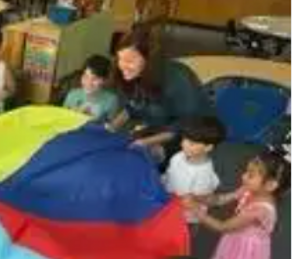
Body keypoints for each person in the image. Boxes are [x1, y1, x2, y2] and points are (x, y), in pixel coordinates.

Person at [109, 28, 213, 166]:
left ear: (149, 60)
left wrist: (145, 142)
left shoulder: (177, 80)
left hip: (190, 133)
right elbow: (132, 105)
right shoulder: (135, 75)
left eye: (130, 61)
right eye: (120, 58)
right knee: (123, 148)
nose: (123, 66)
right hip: (160, 124)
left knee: (143, 158)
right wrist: (111, 127)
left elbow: (183, 126)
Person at [163, 116, 226, 226]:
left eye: (191, 143)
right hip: (170, 203)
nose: (183, 144)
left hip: (186, 215)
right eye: (184, 139)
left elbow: (202, 199)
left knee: (184, 233)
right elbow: (170, 174)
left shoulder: (203, 174)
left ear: (207, 148)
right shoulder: (179, 156)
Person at [62, 54, 119, 125]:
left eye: (95, 79)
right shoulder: (72, 95)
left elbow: (111, 128)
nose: (88, 82)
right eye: (85, 76)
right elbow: (62, 121)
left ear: (104, 80)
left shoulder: (111, 100)